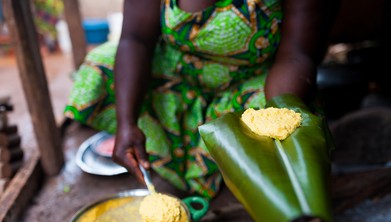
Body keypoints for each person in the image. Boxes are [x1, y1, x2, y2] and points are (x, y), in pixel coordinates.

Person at [64, 0, 341, 199]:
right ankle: (171, 164)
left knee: (286, 122)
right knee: (101, 66)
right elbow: (135, 39)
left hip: (252, 81)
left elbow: (296, 54)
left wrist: (280, 117)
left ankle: (230, 176)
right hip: (178, 78)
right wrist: (127, 122)